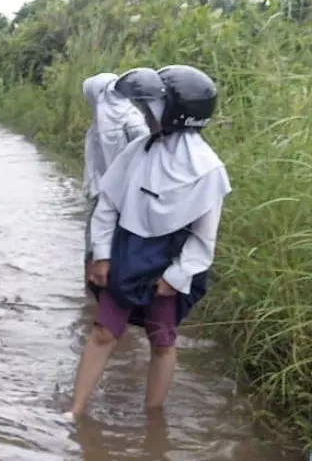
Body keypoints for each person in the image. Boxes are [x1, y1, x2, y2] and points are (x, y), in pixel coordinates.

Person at [66, 65, 231, 418]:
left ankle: (153, 420)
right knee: (103, 332)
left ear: (178, 113)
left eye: (152, 107)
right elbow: (109, 203)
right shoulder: (139, 150)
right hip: (128, 253)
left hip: (170, 262)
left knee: (162, 341)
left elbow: (204, 239)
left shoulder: (208, 170)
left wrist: (176, 277)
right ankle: (75, 411)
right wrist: (101, 254)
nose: (144, 113)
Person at [81, 72, 149, 281]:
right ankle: (93, 286)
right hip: (102, 190)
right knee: (95, 240)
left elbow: (147, 155)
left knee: (108, 240)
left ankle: (103, 286)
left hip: (124, 192)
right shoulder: (100, 121)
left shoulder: (133, 121)